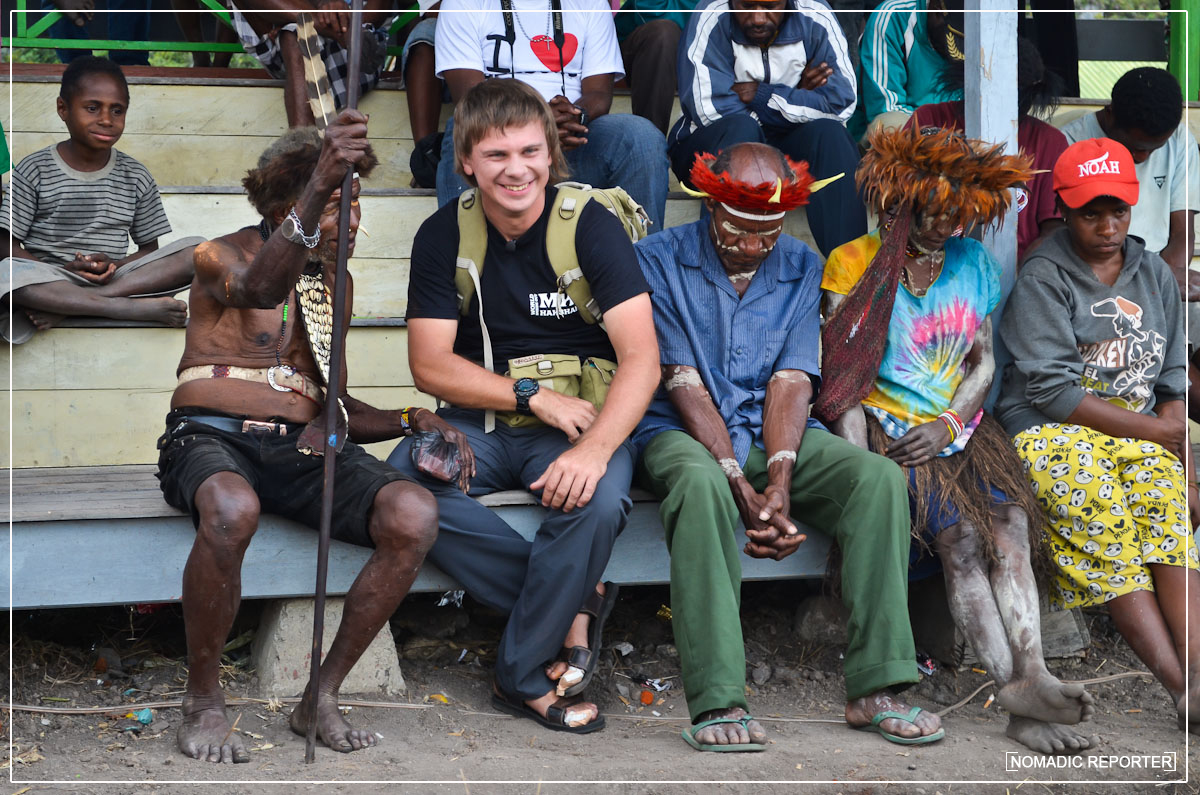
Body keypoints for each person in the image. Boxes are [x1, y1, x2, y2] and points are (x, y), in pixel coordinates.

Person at [634, 141, 944, 751]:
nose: (753, 245)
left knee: (877, 480)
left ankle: (876, 688)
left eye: (767, 232)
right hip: (678, 428)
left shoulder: (801, 264)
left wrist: (777, 482)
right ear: (709, 206)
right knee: (700, 487)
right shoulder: (657, 257)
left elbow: (793, 381)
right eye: (739, 230)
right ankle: (718, 700)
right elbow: (682, 382)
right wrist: (736, 482)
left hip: (774, 432)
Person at [156, 115, 447, 761]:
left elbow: (333, 402)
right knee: (233, 508)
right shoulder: (220, 253)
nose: (355, 223)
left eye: (357, 206)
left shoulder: (331, 284)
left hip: (297, 450)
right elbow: (260, 285)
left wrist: (409, 418)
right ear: (297, 205)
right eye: (344, 206)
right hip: (211, 437)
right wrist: (320, 186)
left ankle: (319, 695)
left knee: (413, 511)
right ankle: (203, 699)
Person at [388, 79, 660, 733]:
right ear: (466, 163)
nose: (517, 170)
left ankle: (521, 674)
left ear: (551, 155)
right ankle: (571, 599)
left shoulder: (589, 224)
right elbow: (429, 363)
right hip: (483, 420)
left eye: (530, 152)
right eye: (497, 155)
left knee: (597, 498)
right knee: (403, 479)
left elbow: (642, 358)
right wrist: (531, 394)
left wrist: (596, 450)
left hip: (577, 424)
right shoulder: (442, 234)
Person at [820, 125, 1095, 754]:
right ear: (898, 204)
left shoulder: (971, 263)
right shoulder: (852, 262)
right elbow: (843, 380)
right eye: (932, 215)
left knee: (1011, 528)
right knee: (961, 541)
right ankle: (1012, 691)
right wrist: (866, 468)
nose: (945, 228)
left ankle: (1034, 675)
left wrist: (951, 421)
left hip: (963, 429)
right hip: (893, 439)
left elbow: (984, 361)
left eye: (955, 217)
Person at [996, 137, 1199, 733]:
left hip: (1141, 430)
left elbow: (1172, 376)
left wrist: (1177, 447)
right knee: (1102, 512)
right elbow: (1054, 393)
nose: (1107, 226)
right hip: (1053, 427)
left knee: (1164, 514)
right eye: (1091, 213)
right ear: (1063, 206)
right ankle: (1180, 687)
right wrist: (1160, 432)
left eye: (1118, 212)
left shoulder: (1154, 275)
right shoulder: (1044, 274)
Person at [0, 56, 200, 345]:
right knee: (6, 271)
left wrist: (116, 265)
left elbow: (148, 250)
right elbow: (5, 244)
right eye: (92, 108)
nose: (106, 120)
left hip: (115, 280)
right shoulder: (35, 169)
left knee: (197, 252)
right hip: (50, 278)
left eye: (117, 111)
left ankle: (76, 307)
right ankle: (119, 308)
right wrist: (65, 271)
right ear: (63, 109)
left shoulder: (136, 174)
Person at [432, 0, 669, 234]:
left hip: (570, 139)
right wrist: (540, 123)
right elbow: (469, 97)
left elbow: (599, 94)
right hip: (497, 135)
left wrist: (576, 116)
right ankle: (464, 253)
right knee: (462, 129)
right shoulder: (462, 3)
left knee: (641, 137)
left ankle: (642, 264)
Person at [670, 0, 864, 257]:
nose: (758, 18)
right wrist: (798, 97)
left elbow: (841, 104)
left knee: (831, 135)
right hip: (709, 149)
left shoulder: (815, 16)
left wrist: (764, 97)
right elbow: (710, 110)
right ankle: (721, 263)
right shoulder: (712, 16)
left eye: (770, 6)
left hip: (787, 148)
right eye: (747, 6)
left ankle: (852, 274)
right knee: (742, 128)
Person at [908, 35, 1068, 263]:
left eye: (1011, 99)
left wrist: (1023, 283)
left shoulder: (1049, 142)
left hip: (1017, 276)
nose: (999, 105)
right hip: (928, 270)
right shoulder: (929, 121)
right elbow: (897, 205)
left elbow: (1054, 230)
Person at [1059, 67, 1198, 295]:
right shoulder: (1070, 143)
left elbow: (1182, 235)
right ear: (1110, 113)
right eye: (1134, 147)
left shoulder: (1180, 140)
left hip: (1161, 274)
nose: (1142, 157)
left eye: (1156, 148)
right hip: (1091, 279)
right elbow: (1064, 239)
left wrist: (1157, 284)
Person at [229, 1, 395, 127]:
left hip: (359, 43)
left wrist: (344, 18)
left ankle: (302, 154)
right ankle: (337, 31)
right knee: (295, 34)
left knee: (295, 35)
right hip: (288, 45)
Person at [851, 0, 962, 141]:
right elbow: (886, 111)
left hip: (956, 140)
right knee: (890, 123)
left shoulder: (986, 28)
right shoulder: (892, 17)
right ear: (936, 10)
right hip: (896, 143)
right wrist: (944, 138)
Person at [614, 0, 698, 135]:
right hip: (643, 48)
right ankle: (650, 143)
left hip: (693, 52)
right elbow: (653, 13)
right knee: (663, 34)